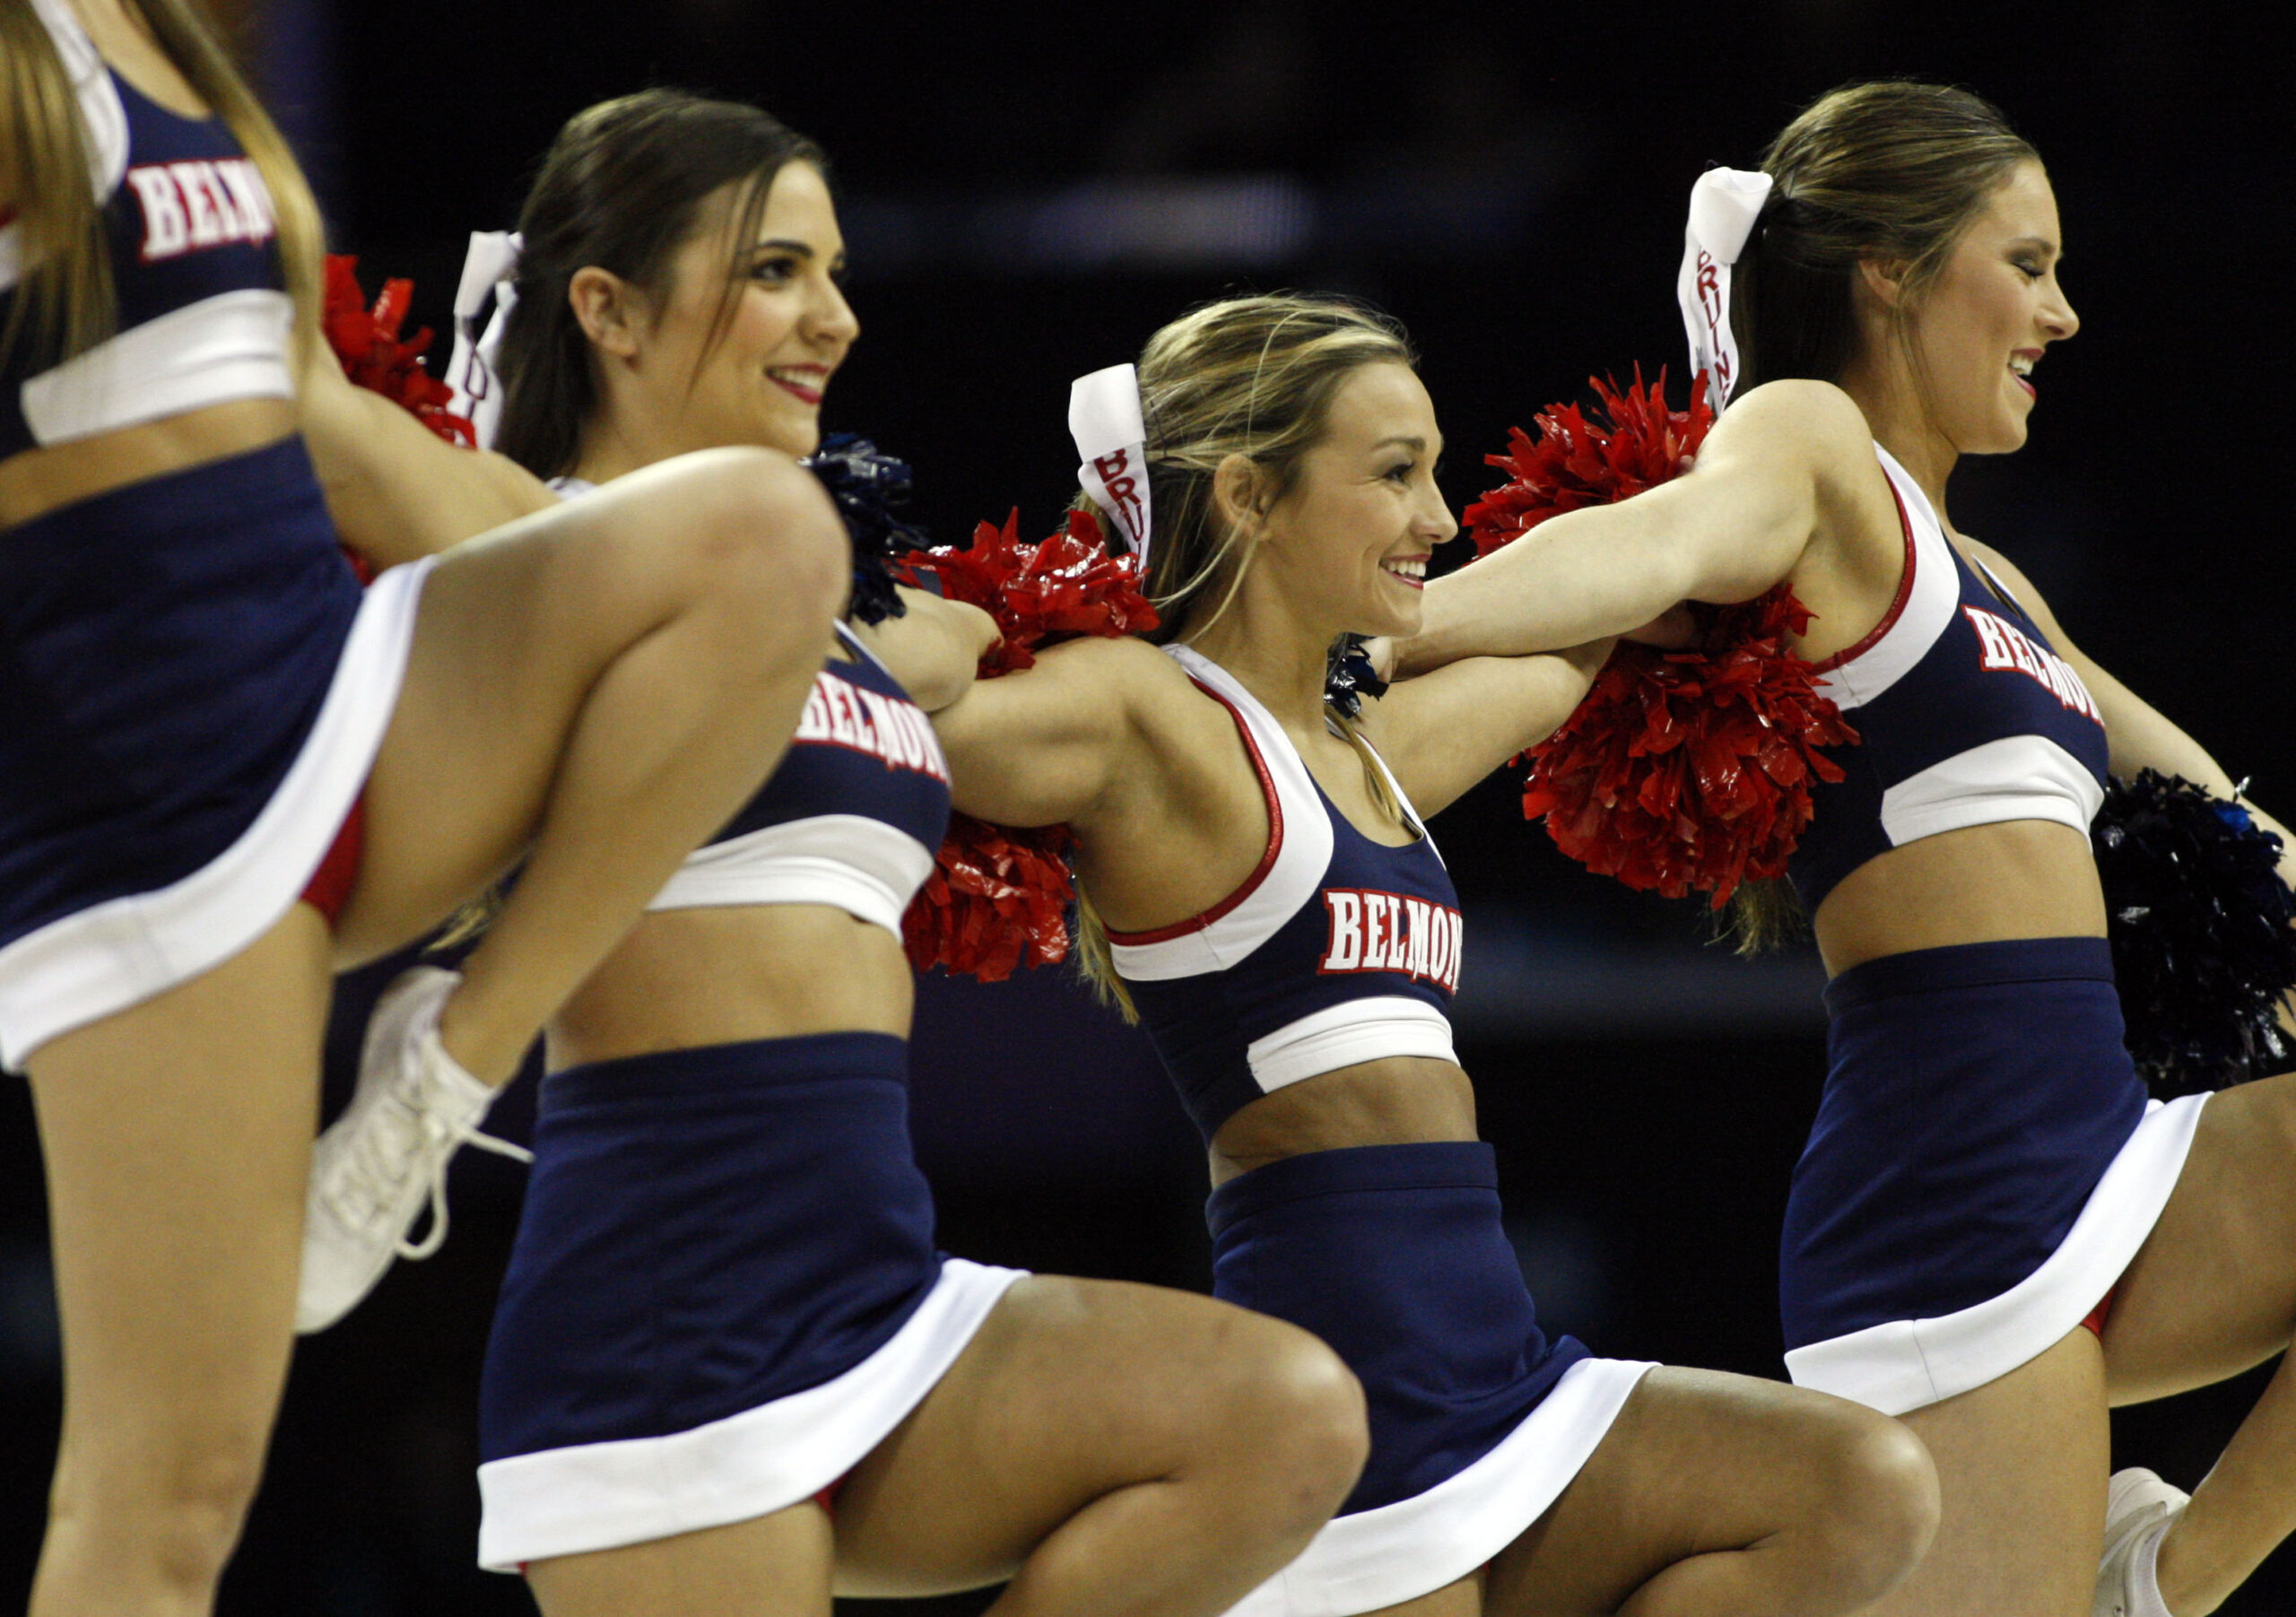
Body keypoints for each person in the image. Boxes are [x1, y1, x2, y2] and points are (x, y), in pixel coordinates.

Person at [355, 89, 1367, 1615]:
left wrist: (941, 625)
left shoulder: (820, 600)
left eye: (831, 272)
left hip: (880, 1296)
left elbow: (934, 654)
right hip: (669, 1316)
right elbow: (345, 446)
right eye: (772, 271)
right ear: (608, 310)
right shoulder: (537, 540)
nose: (830, 317)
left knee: (1284, 1420)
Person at [1398, 80, 2296, 1617]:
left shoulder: (1996, 574)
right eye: (2025, 264)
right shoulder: (1809, 445)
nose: (2063, 314)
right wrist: (1389, 628)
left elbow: (2232, 820)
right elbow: (1656, 546)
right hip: (1957, 1196)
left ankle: (2166, 1573)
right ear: (1887, 268)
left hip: (2114, 1156)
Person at [0, 1, 849, 1609]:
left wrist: (592, 565)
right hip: (151, 813)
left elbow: (335, 435)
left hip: (346, 700)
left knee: (762, 542)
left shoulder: (167, 42)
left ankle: (438, 1076)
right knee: (163, 1503)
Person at [929, 291, 1943, 1616]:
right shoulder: (1152, 725)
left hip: (1502, 1372)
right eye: (1396, 473)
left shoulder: (1376, 756)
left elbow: (1586, 638)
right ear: (1246, 494)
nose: (1442, 516)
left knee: (1860, 1487)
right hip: (1348, 1389)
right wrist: (954, 620)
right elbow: (900, 730)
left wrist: (1707, 544)